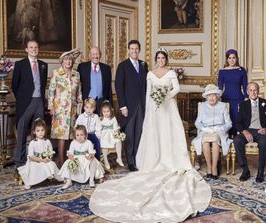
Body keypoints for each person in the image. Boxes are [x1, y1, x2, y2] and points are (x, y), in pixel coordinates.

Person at [89, 48, 211, 222]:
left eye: (163, 58)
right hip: (154, 109)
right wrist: (151, 107)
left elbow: (176, 89)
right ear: (156, 59)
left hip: (168, 108)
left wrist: (165, 95)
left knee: (169, 134)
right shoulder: (150, 73)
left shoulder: (170, 73)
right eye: (158, 58)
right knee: (155, 135)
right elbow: (147, 92)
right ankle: (154, 159)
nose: (161, 60)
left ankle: (170, 159)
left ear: (166, 59)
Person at [11, 40, 48, 169]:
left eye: (36, 47)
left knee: (38, 134)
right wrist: (22, 100)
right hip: (25, 103)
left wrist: (42, 102)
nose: (34, 49)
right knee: (21, 134)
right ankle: (20, 164)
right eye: (31, 47)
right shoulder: (20, 64)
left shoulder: (44, 65)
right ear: (26, 49)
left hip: (39, 102)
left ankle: (37, 162)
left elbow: (43, 86)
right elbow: (14, 85)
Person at [115, 40, 148, 171]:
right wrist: (122, 106)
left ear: (139, 50)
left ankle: (138, 159)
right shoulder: (122, 66)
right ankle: (131, 162)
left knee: (139, 133)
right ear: (128, 50)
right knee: (129, 135)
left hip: (142, 104)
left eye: (136, 49)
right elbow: (119, 87)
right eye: (132, 49)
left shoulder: (144, 65)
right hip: (128, 106)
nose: (134, 51)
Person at [233, 82, 266, 183]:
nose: (253, 92)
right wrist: (245, 132)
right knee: (237, 140)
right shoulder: (243, 105)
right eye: (251, 90)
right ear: (247, 92)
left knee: (264, 142)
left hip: (261, 131)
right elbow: (238, 123)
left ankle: (260, 171)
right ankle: (245, 170)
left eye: (255, 90)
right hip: (248, 130)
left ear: (258, 91)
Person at [48, 49, 82, 167]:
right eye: (66, 59)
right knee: (61, 136)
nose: (68, 62)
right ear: (62, 61)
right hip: (60, 110)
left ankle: (69, 159)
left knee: (71, 135)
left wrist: (79, 108)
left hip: (72, 110)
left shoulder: (76, 74)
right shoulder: (56, 73)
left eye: (70, 60)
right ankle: (61, 161)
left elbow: (79, 93)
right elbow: (51, 91)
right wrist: (51, 107)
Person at [193, 84, 232, 180]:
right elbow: (197, 123)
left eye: (214, 95)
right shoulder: (202, 106)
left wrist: (220, 129)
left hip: (219, 131)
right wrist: (205, 129)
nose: (212, 98)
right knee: (205, 142)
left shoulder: (223, 106)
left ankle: (214, 167)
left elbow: (229, 123)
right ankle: (209, 167)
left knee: (215, 141)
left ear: (217, 96)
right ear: (206, 97)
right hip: (206, 130)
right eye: (209, 95)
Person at [17, 118, 62, 190]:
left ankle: (60, 178)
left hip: (45, 159)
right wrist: (41, 160)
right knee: (34, 168)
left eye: (42, 130)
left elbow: (51, 152)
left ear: (45, 130)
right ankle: (30, 182)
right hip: (35, 160)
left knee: (52, 164)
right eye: (38, 131)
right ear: (34, 132)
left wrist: (49, 158)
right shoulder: (33, 143)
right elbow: (31, 156)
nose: (40, 133)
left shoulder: (47, 141)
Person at [218, 49, 248, 136]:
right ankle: (227, 137)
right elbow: (220, 86)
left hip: (239, 98)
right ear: (227, 59)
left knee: (237, 118)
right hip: (226, 98)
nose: (232, 60)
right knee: (227, 118)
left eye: (233, 58)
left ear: (237, 58)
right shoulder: (222, 71)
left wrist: (246, 97)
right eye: (230, 58)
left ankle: (238, 137)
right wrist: (218, 97)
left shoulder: (241, 70)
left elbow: (245, 85)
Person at [77, 47, 112, 113]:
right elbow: (78, 85)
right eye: (93, 54)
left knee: (101, 122)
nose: (95, 56)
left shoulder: (106, 68)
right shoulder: (82, 67)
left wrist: (110, 105)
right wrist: (81, 100)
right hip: (87, 102)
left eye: (97, 54)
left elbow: (109, 88)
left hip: (102, 101)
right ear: (89, 55)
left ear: (100, 55)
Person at [97, 101, 124, 169]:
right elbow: (98, 129)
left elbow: (116, 127)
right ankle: (106, 160)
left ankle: (119, 158)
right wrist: (99, 137)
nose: (106, 113)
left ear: (111, 111)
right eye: (104, 111)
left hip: (112, 134)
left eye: (107, 111)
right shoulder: (100, 119)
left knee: (118, 141)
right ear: (102, 112)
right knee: (104, 144)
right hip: (104, 135)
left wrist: (116, 134)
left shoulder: (113, 118)